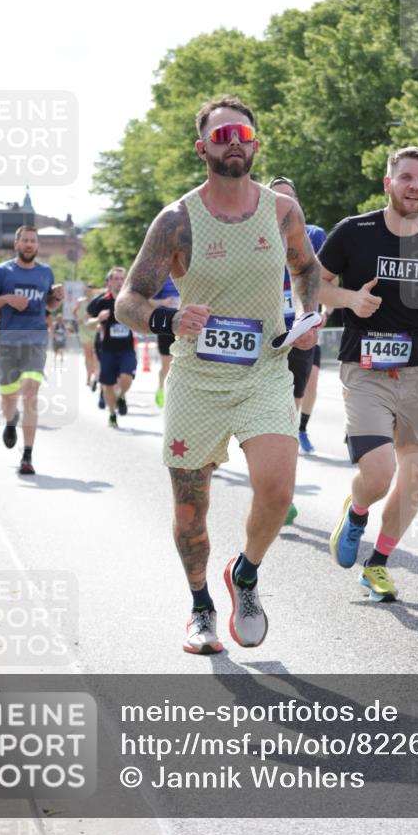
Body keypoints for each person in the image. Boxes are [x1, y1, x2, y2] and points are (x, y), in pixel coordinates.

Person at [116, 94, 321, 654]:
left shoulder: (281, 211)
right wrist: (168, 317)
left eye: (243, 135)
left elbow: (307, 269)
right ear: (202, 146)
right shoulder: (177, 221)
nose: (234, 142)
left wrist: (307, 315)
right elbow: (129, 299)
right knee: (191, 509)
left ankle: (245, 575)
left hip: (264, 371)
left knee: (277, 491)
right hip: (197, 380)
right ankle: (201, 605)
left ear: (255, 145)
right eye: (222, 135)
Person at [320, 146, 418, 601]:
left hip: (417, 372)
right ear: (388, 183)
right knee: (379, 472)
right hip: (364, 369)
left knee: (416, 479)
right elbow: (314, 285)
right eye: (406, 177)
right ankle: (356, 511)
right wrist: (351, 300)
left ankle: (378, 564)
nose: (414, 186)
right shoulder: (354, 231)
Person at [0, 225, 63, 475]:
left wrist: (56, 298)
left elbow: (48, 305)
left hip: (35, 340)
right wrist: (7, 299)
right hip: (7, 341)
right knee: (9, 398)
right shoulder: (2, 271)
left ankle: (27, 456)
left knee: (30, 394)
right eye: (25, 240)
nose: (29, 245)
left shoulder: (46, 272)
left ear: (37, 245)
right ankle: (10, 420)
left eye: (33, 241)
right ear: (16, 244)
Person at [269, 176, 327, 524]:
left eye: (288, 198)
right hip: (260, 336)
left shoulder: (313, 235)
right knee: (262, 422)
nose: (282, 205)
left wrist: (319, 311)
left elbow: (323, 277)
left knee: (285, 418)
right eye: (274, 198)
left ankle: (283, 493)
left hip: (299, 334)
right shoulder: (252, 236)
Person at [87, 268, 137, 428]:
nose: (120, 282)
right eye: (116, 279)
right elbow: (89, 323)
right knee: (107, 385)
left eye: (122, 278)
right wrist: (98, 319)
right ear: (109, 282)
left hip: (127, 349)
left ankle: (121, 396)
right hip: (108, 349)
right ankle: (112, 413)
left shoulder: (130, 300)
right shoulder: (102, 301)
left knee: (126, 377)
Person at [150, 275, 180, 407]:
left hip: (183, 326)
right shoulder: (162, 278)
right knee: (166, 364)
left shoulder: (189, 275)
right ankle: (161, 387)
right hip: (165, 325)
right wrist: (164, 302)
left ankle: (176, 395)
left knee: (180, 362)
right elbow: (148, 301)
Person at [74, 284, 100, 390]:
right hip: (84, 329)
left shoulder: (97, 301)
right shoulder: (80, 301)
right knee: (88, 354)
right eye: (87, 291)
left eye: (90, 291)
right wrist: (77, 319)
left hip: (94, 329)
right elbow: (74, 312)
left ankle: (95, 376)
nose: (89, 292)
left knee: (95, 354)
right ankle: (88, 376)